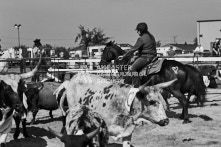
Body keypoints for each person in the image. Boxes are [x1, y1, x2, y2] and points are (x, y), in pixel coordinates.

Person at [118, 22, 157, 87]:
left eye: (138, 30)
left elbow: (134, 49)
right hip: (153, 56)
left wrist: (124, 56)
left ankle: (136, 86)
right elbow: (148, 47)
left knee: (132, 69)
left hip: (145, 58)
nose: (137, 32)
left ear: (141, 30)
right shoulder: (151, 36)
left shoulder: (141, 39)